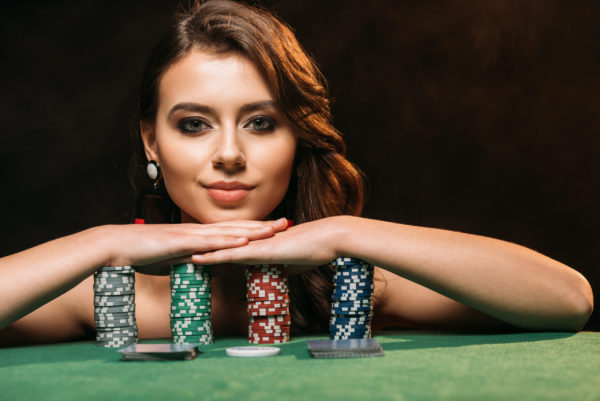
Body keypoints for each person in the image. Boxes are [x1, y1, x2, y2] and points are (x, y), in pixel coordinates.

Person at [0, 0, 593, 346]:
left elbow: (568, 301)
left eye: (260, 123)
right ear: (151, 140)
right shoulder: (113, 292)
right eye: (193, 125)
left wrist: (344, 235)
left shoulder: (346, 286)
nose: (229, 153)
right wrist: (104, 242)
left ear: (297, 137)